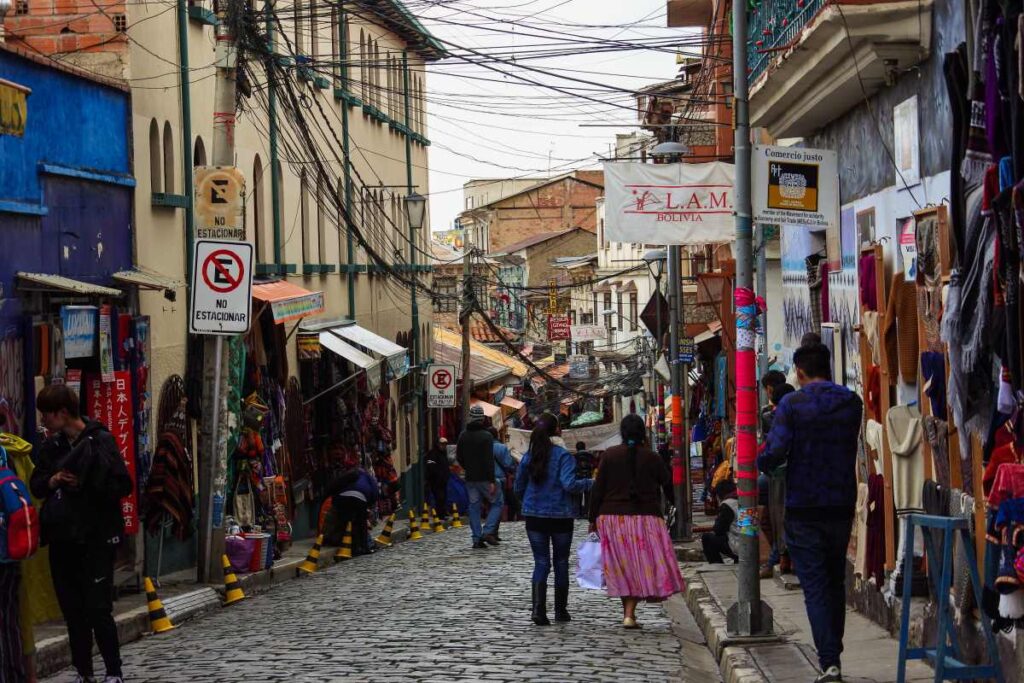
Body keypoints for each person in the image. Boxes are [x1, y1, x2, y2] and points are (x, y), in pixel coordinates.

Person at [758, 343, 862, 683]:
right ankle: (834, 655)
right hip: (841, 503)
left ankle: (830, 662)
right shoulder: (851, 402)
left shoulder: (792, 404)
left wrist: (758, 461)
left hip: (803, 505)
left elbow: (775, 451)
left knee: (815, 585)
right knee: (835, 580)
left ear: (799, 372)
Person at [30, 384, 132, 683]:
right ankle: (83, 671)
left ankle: (113, 672)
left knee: (98, 607)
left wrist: (87, 484)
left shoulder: (100, 440)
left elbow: (122, 485)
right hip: (63, 537)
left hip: (96, 537)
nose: (44, 421)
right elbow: (37, 484)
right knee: (73, 611)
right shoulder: (53, 446)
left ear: (62, 412)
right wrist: (54, 480)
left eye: (46, 414)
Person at [589, 414, 685, 629]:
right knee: (638, 566)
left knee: (623, 567)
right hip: (647, 520)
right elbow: (668, 486)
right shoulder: (652, 458)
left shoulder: (610, 456)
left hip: (612, 520)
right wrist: (678, 511)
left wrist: (592, 518)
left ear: (622, 433)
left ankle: (628, 613)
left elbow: (598, 490)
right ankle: (629, 614)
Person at [513, 415, 592, 626]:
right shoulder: (563, 456)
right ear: (557, 430)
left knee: (541, 562)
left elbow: (518, 487)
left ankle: (538, 610)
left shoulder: (529, 456)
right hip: (560, 516)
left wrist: (530, 503)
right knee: (560, 562)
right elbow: (569, 484)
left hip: (534, 517)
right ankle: (560, 610)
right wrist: (589, 483)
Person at [456, 405, 499, 549]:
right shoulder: (487, 436)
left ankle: (476, 538)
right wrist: (492, 480)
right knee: (498, 501)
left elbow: (459, 457)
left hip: (470, 478)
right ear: (482, 419)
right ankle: (487, 531)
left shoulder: (463, 435)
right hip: (485, 478)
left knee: (474, 507)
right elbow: (489, 460)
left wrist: (468, 467)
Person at [325, 458, 379, 555]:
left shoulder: (351, 475)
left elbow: (335, 485)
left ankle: (343, 542)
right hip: (361, 499)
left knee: (344, 521)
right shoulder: (368, 478)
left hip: (343, 498)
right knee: (361, 524)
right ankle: (363, 547)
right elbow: (375, 492)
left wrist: (332, 498)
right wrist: (369, 506)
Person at [701, 480, 740, 563]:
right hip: (750, 544)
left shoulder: (727, 505)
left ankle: (716, 563)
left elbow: (718, 530)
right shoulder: (745, 500)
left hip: (737, 545)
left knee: (707, 538)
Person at [489, 427, 516, 542]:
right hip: (500, 479)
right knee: (498, 505)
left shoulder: (483, 447)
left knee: (490, 506)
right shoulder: (501, 447)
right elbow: (508, 463)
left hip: (485, 479)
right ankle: (493, 532)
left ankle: (490, 531)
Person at [424, 437, 450, 519]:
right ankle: (440, 514)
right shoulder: (432, 454)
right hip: (435, 480)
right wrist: (438, 475)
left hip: (443, 480)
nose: (444, 446)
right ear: (438, 444)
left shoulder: (444, 453)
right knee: (439, 497)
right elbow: (431, 466)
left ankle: (443, 512)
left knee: (443, 497)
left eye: (445, 444)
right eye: (442, 444)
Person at [573, 441, 595, 519]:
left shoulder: (574, 456)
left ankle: (578, 514)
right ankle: (586, 513)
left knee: (577, 496)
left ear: (576, 448)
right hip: (588, 477)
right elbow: (593, 465)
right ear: (584, 447)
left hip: (578, 478)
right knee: (588, 496)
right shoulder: (590, 456)